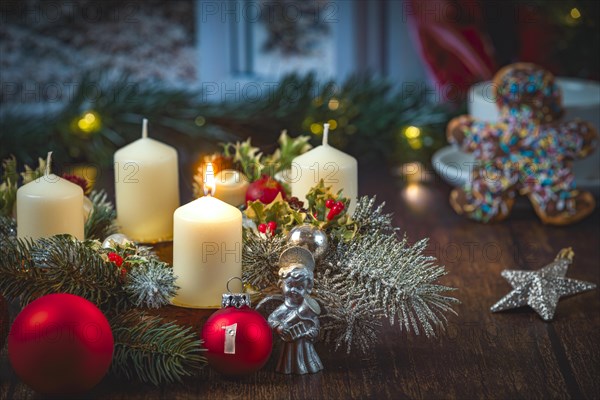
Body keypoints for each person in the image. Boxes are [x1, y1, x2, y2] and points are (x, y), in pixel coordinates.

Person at [268, 247, 323, 374]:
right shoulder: (283, 308)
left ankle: (308, 366)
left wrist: (313, 332)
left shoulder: (307, 307)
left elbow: (314, 322)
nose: (294, 290)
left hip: (304, 343)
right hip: (287, 345)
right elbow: (271, 318)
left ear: (308, 288)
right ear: (281, 285)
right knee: (288, 358)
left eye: (299, 287)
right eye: (290, 285)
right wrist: (279, 327)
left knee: (307, 357)